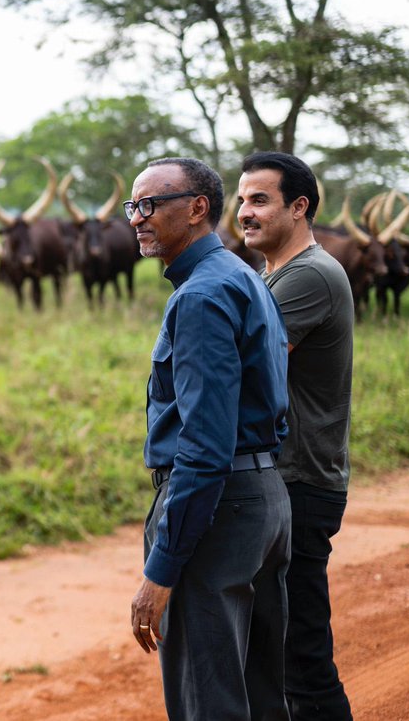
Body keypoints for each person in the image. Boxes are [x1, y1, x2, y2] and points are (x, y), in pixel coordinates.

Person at [127, 157, 292, 721]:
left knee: (209, 700)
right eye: (133, 206)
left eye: (150, 205)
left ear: (197, 208)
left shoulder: (200, 296)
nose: (137, 219)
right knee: (261, 691)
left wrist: (162, 568)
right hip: (263, 498)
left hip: (217, 514)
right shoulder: (245, 276)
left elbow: (203, 448)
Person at [238, 151, 356, 720]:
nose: (245, 212)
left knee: (303, 661)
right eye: (241, 200)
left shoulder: (308, 274)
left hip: (300, 482)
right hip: (290, 479)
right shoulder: (275, 274)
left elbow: (247, 367)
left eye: (259, 199)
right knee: (280, 656)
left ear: (299, 207)